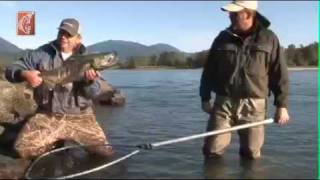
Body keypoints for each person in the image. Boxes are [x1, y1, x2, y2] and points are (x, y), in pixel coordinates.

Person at [5, 18, 113, 160]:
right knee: (23, 150)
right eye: (61, 32)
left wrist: (89, 82)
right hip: (48, 115)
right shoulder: (41, 54)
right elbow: (12, 69)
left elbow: (93, 93)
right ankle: (54, 144)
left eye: (69, 34)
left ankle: (57, 141)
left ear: (79, 39)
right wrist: (24, 74)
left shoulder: (89, 59)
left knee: (103, 154)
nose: (63, 36)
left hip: (81, 117)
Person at [200, 1, 290, 159]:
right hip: (223, 103)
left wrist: (281, 105)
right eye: (230, 13)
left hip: (254, 105)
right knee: (211, 150)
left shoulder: (269, 38)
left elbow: (279, 73)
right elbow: (209, 70)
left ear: (248, 14)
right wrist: (205, 97)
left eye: (235, 14)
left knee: (251, 153)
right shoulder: (222, 38)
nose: (230, 16)